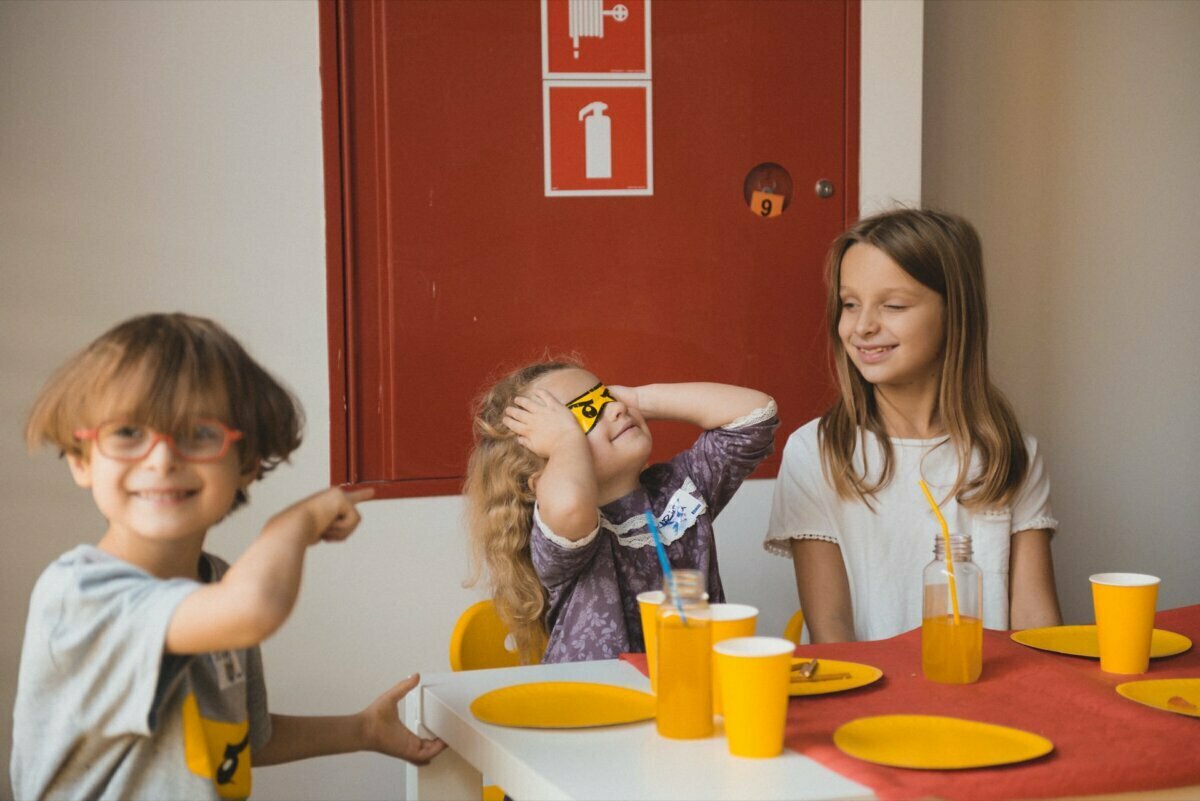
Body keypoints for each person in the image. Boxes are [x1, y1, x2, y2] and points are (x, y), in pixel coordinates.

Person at [12, 313, 444, 800]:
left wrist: (362, 730)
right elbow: (253, 609)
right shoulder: (79, 595)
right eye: (129, 432)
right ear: (80, 459)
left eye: (199, 434)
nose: (161, 459)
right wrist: (292, 523)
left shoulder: (219, 584)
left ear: (247, 465)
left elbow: (244, 740)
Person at [764, 208, 1063, 642]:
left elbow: (1038, 627)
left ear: (954, 313)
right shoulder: (816, 453)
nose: (863, 326)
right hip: (871, 705)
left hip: (987, 702)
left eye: (893, 305)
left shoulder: (1010, 453)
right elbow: (832, 631)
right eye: (850, 304)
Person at [465, 360, 777, 664]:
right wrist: (565, 440)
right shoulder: (566, 532)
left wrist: (640, 399)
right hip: (595, 707)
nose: (616, 409)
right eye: (585, 414)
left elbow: (755, 416)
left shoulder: (682, 488)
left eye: (606, 398)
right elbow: (570, 504)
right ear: (542, 478)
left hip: (687, 695)